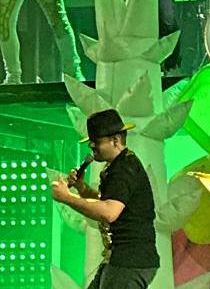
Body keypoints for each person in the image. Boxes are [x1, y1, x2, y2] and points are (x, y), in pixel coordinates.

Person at [51, 109, 159, 289]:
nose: (91, 146)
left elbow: (109, 212)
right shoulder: (119, 165)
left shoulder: (124, 169)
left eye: (97, 141)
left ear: (115, 140)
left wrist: (67, 198)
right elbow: (108, 202)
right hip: (122, 259)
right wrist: (82, 188)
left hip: (130, 261)